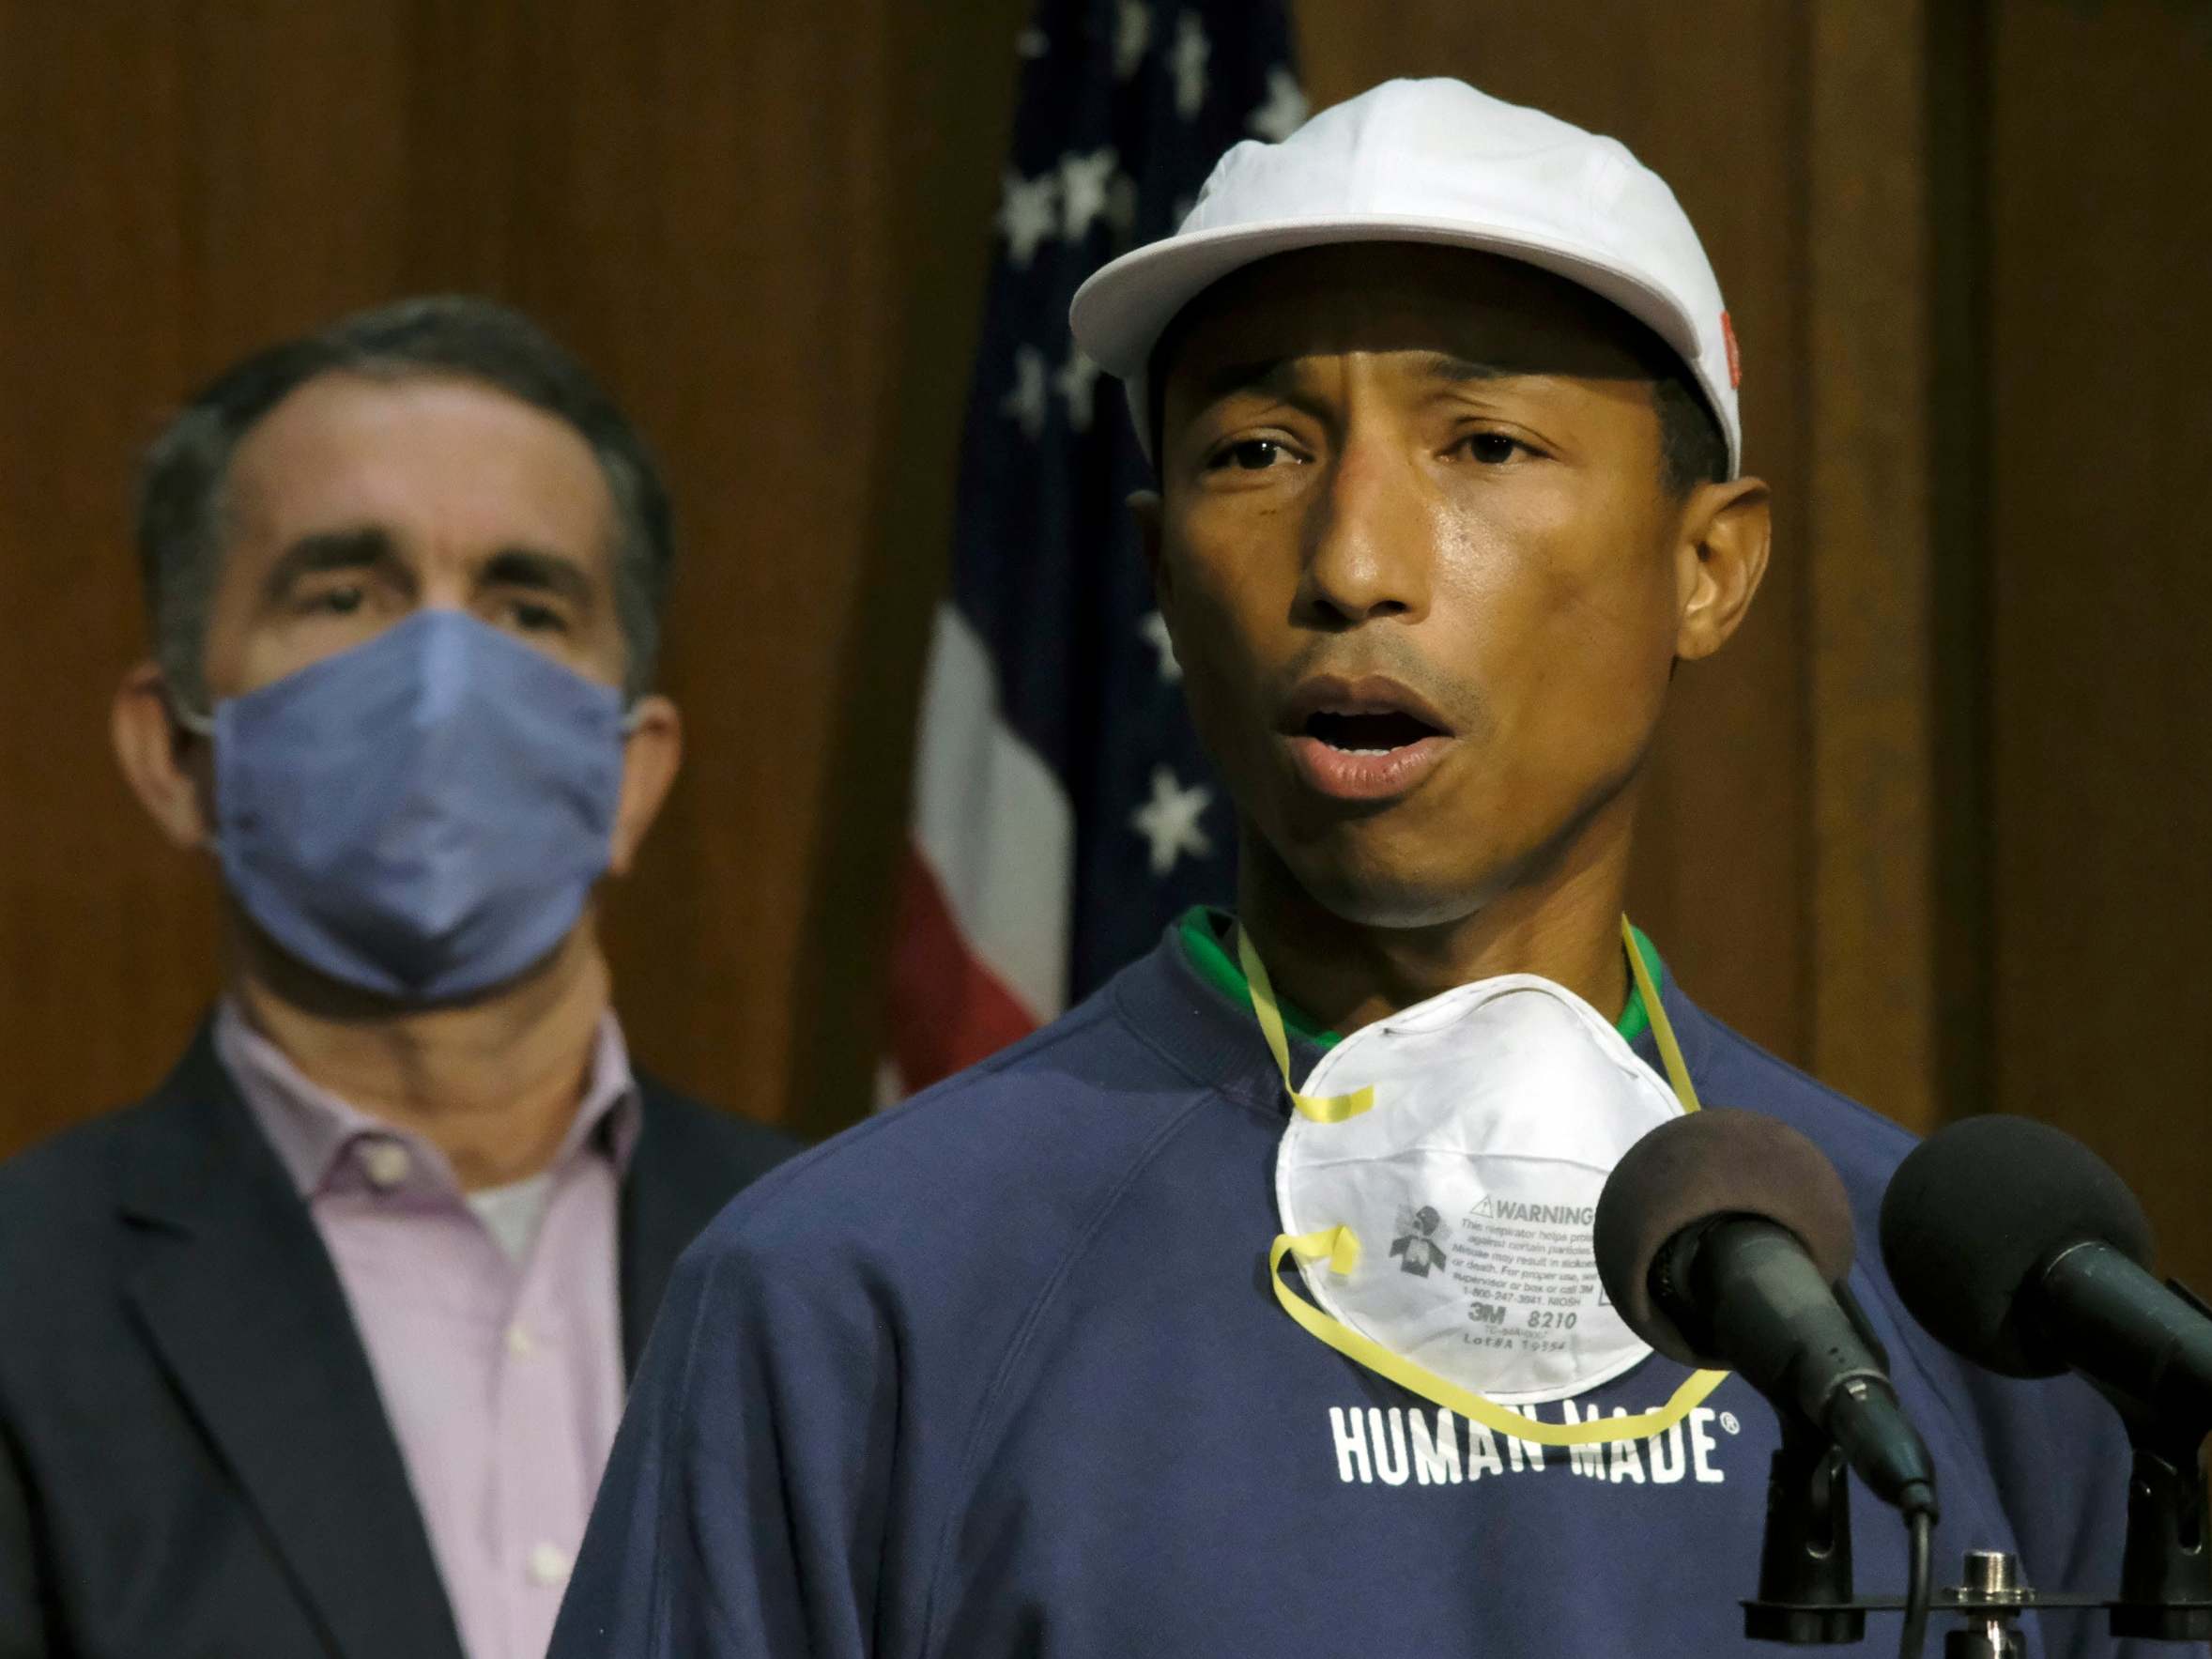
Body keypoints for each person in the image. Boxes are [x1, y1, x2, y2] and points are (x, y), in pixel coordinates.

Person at [551, 82, 2143, 1658]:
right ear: (1162, 570)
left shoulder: (1989, 1333)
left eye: (1487, 444)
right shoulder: (848, 1296)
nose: (1352, 564)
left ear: (1707, 565)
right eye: (1254, 450)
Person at [0, 297, 797, 1659]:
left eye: (525, 604)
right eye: (345, 592)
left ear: (633, 772)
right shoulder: (26, 1307)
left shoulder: (855, 1260)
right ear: (174, 752)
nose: (445, 675)